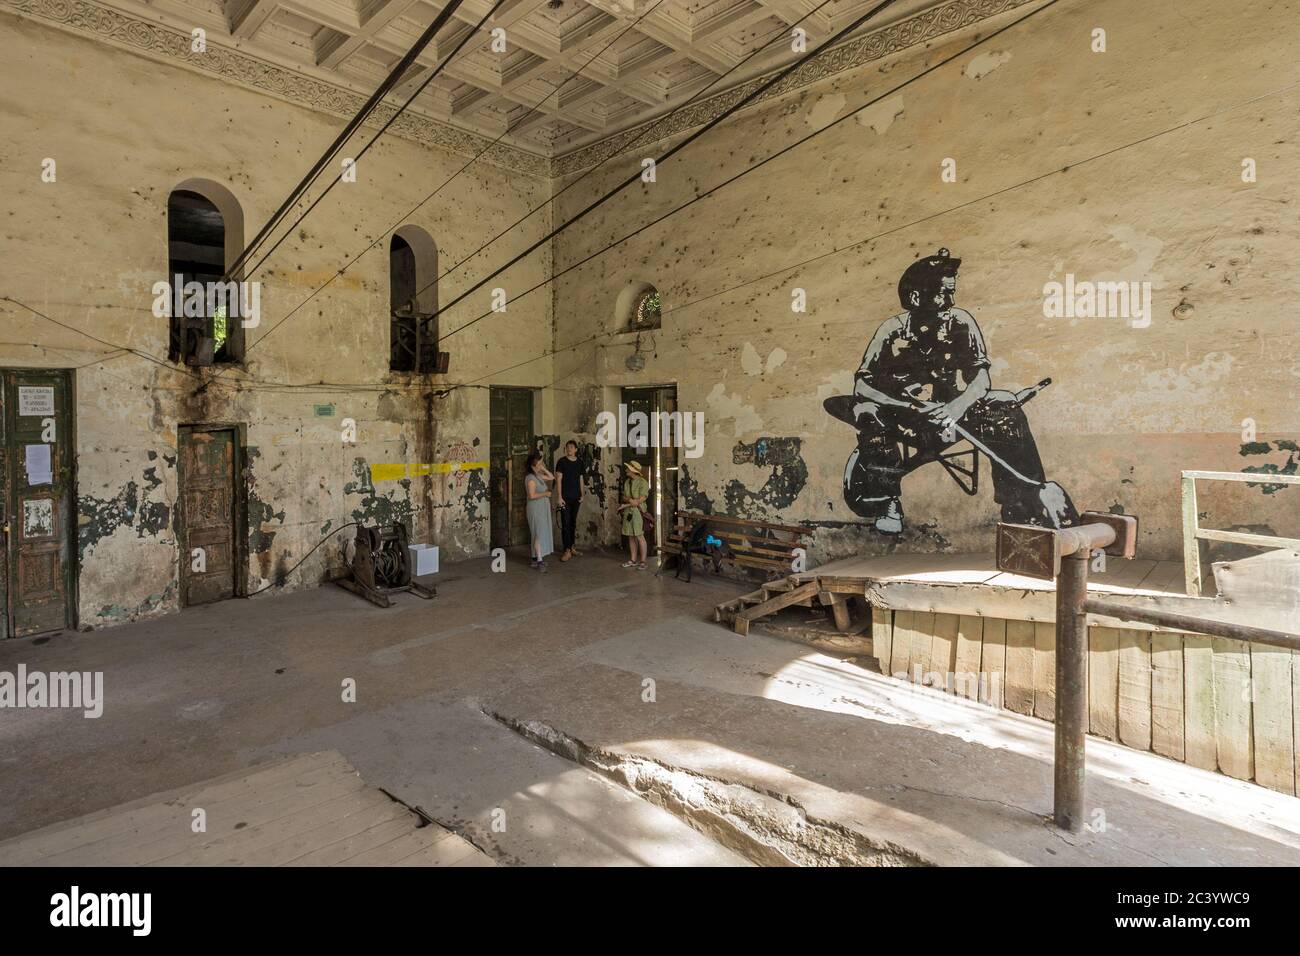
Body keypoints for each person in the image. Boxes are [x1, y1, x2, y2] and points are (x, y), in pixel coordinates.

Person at [825, 248, 1072, 534]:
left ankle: (1021, 501)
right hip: (905, 419)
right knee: (868, 413)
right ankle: (886, 500)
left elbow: (981, 378)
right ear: (916, 298)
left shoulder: (962, 323)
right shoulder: (891, 331)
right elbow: (862, 384)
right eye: (943, 293)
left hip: (953, 415)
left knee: (1005, 406)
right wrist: (911, 408)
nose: (951, 301)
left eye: (952, 293)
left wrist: (957, 407)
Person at [553, 440, 585, 562]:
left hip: (576, 497)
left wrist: (582, 495)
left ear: (576, 449)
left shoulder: (580, 462)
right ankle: (566, 550)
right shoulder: (561, 462)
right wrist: (559, 497)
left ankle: (572, 547)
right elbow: (559, 480)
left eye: (571, 447)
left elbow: (581, 479)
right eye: (567, 447)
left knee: (573, 522)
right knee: (565, 524)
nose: (569, 449)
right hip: (565, 498)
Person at [524, 451, 555, 572]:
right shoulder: (530, 478)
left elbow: (551, 477)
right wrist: (545, 494)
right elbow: (531, 495)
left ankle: (534, 558)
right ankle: (540, 561)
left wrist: (543, 469)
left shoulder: (538, 476)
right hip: (535, 507)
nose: (542, 463)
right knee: (538, 533)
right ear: (535, 462)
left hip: (541, 507)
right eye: (540, 461)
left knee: (539, 532)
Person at [619, 460, 650, 570]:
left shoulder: (643, 483)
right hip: (629, 512)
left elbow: (638, 502)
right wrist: (630, 501)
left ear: (633, 470)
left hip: (638, 512)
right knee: (631, 536)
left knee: (639, 536)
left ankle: (643, 561)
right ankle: (633, 560)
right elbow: (625, 497)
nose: (626, 470)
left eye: (628, 468)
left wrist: (628, 503)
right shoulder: (627, 482)